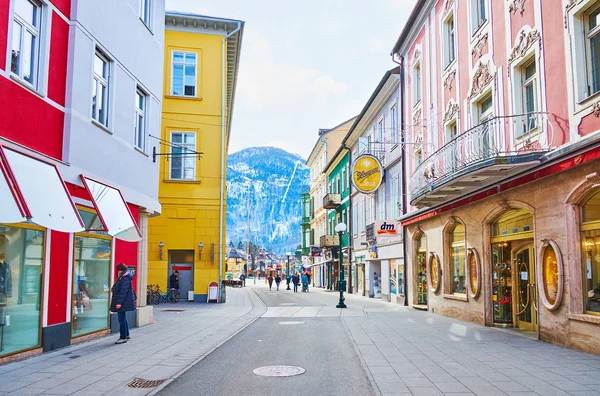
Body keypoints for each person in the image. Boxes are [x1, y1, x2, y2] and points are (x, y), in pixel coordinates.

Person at [111, 263, 136, 344]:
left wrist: (119, 303)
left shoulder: (124, 278)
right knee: (123, 319)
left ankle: (123, 337)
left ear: (120, 270)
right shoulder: (124, 276)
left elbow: (123, 291)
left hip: (122, 302)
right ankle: (127, 334)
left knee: (121, 320)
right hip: (124, 302)